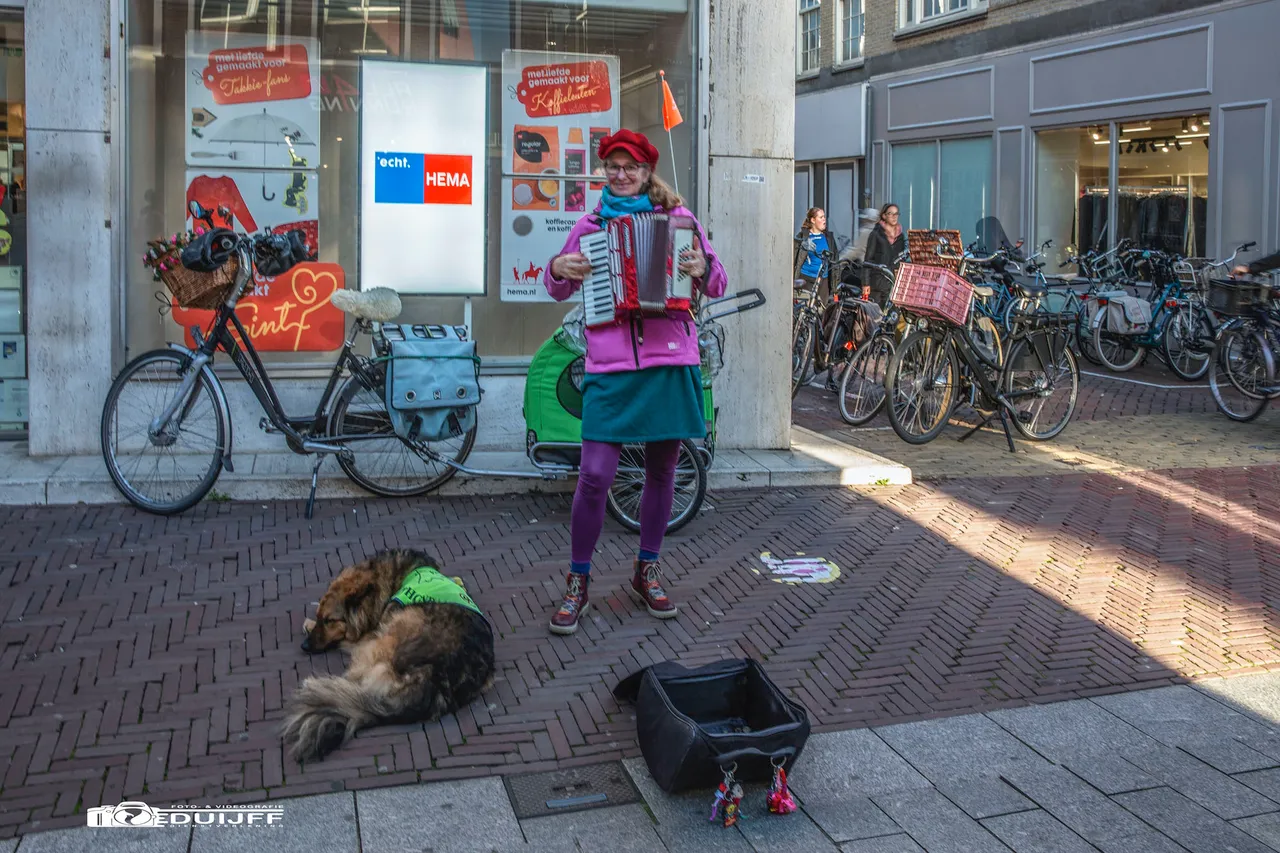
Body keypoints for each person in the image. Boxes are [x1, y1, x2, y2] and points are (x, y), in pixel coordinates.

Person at [542, 129, 727, 636]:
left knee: (662, 471)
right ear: (604, 172)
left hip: (669, 361)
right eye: (613, 166)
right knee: (596, 474)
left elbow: (717, 282)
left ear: (647, 173)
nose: (620, 174)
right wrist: (558, 266)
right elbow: (557, 285)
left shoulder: (680, 222)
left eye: (630, 167)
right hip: (611, 365)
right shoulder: (589, 225)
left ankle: (647, 569)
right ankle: (578, 580)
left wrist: (702, 264)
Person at [863, 203, 907, 306]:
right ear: (884, 216)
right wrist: (865, 283)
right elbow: (868, 260)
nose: (894, 217)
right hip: (877, 282)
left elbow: (902, 259)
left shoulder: (900, 237)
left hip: (893, 283)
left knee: (892, 316)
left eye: (896, 214)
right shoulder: (876, 234)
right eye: (891, 214)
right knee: (876, 315)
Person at [793, 208, 833, 293]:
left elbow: (835, 260)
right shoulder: (803, 236)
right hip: (806, 279)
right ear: (813, 220)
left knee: (822, 306)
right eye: (821, 217)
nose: (824, 219)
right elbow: (794, 258)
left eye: (824, 217)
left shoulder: (829, 237)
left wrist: (835, 288)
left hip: (823, 280)